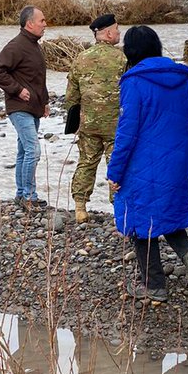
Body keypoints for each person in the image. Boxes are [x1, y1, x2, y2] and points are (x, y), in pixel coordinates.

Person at [107, 26, 188, 303]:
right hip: (177, 158)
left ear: (131, 50)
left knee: (139, 221)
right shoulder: (179, 78)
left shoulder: (133, 81)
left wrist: (114, 172)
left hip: (143, 162)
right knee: (167, 210)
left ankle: (154, 286)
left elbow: (126, 132)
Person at [63, 13, 126, 223]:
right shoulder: (122, 58)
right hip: (115, 124)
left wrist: (75, 120)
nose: (119, 33)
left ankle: (80, 207)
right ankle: (118, 210)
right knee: (116, 165)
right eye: (117, 29)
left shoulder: (81, 58)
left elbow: (71, 95)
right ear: (108, 33)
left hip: (88, 123)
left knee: (86, 163)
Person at [0, 5, 50, 207]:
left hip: (33, 107)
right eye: (42, 21)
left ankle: (21, 194)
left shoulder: (33, 45)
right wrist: (16, 89)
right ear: (30, 24)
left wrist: (45, 102)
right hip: (19, 107)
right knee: (33, 150)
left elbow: (37, 78)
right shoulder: (16, 45)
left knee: (24, 152)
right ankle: (29, 196)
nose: (45, 24)